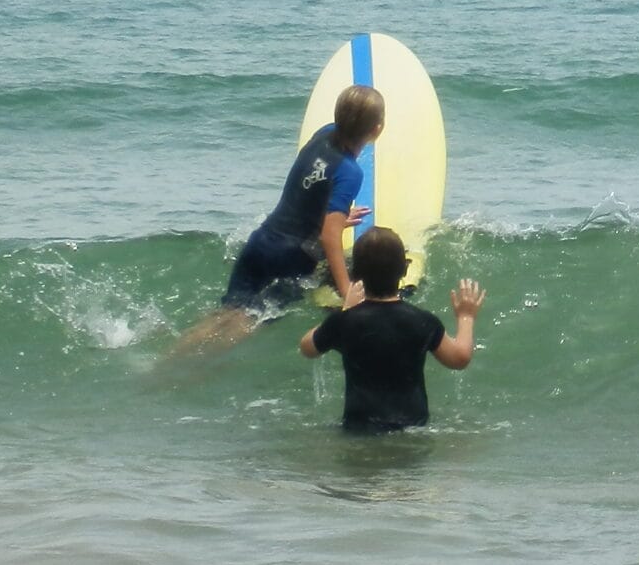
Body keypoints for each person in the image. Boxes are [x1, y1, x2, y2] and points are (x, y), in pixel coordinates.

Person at [177, 83, 384, 351]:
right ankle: (191, 371)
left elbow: (309, 184)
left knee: (228, 311)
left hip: (261, 241)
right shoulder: (350, 172)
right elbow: (329, 237)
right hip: (290, 258)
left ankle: (169, 360)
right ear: (376, 130)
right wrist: (347, 293)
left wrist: (336, 213)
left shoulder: (324, 133)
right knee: (244, 324)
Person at [298, 227, 483, 432]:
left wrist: (346, 309)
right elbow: (459, 358)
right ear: (405, 270)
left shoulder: (345, 321)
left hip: (360, 430)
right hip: (412, 430)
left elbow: (307, 347)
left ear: (356, 275)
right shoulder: (422, 321)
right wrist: (466, 317)